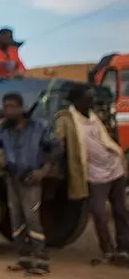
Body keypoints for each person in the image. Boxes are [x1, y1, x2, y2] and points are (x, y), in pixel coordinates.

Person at [54, 84, 129, 265]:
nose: (92, 100)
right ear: (77, 100)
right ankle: (108, 250)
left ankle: (124, 249)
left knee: (120, 211)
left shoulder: (94, 116)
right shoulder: (65, 119)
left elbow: (107, 138)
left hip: (114, 168)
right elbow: (58, 140)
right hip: (95, 175)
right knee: (99, 214)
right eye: (89, 97)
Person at [0, 93, 60, 275]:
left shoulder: (38, 127)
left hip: (31, 179)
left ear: (21, 108)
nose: (8, 110)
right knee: (17, 220)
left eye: (12, 106)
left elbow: (57, 147)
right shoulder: (4, 130)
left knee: (32, 219)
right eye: (5, 107)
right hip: (12, 178)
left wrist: (43, 171)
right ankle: (24, 259)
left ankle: (42, 261)